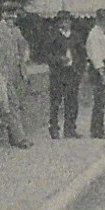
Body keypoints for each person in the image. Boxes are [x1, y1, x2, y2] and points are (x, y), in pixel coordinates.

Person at [0, 2, 32, 148]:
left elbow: (24, 47)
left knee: (17, 103)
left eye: (14, 12)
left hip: (17, 71)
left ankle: (14, 135)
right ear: (2, 14)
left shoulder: (17, 31)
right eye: (8, 12)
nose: (12, 16)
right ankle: (20, 138)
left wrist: (24, 59)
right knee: (12, 104)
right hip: (3, 72)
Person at [44, 10, 84, 139]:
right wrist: (59, 59)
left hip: (72, 72)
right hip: (58, 73)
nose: (65, 23)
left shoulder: (75, 37)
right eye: (62, 21)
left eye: (67, 20)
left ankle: (70, 128)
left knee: (72, 101)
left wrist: (79, 68)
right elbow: (47, 55)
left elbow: (82, 53)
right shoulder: (53, 37)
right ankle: (54, 128)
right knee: (56, 102)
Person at [84, 9, 105, 139]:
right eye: (104, 21)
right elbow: (96, 56)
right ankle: (97, 130)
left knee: (102, 101)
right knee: (99, 100)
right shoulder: (94, 35)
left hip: (103, 67)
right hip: (98, 69)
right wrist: (102, 72)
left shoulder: (101, 34)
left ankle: (97, 128)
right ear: (99, 20)